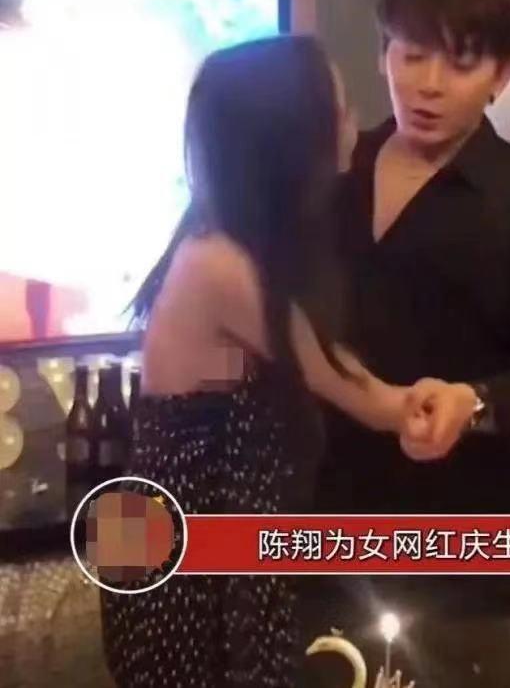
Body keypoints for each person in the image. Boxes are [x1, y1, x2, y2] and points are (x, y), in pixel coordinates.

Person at [99, 35, 474, 688]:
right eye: (339, 108)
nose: (353, 122)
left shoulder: (230, 238)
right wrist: (431, 404)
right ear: (292, 139)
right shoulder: (222, 265)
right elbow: (348, 383)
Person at [299, 0, 510, 688]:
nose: (427, 84)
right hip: (317, 552)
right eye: (412, 53)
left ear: (502, 74)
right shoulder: (329, 172)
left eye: (460, 62)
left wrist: (476, 403)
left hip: (461, 575)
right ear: (383, 51)